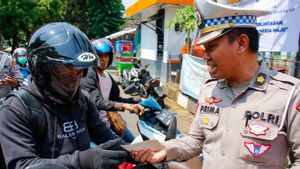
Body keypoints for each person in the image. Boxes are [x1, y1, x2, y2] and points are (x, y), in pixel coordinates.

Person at [130, 0, 300, 169]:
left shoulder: (289, 94)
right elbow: (196, 140)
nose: (205, 56)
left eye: (211, 47)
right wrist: (164, 150)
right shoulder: (209, 90)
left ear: (241, 43)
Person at [0, 22, 131, 169]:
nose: (74, 79)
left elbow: (105, 136)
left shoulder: (82, 99)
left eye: (80, 71)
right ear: (42, 70)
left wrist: (137, 152)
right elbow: (22, 164)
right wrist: (85, 161)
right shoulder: (16, 110)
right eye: (66, 70)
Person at [81, 38, 145, 143]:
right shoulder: (88, 74)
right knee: (130, 153)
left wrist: (137, 100)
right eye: (99, 55)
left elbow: (116, 100)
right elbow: (97, 101)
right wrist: (124, 106)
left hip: (111, 123)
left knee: (135, 143)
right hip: (97, 128)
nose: (103, 59)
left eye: (106, 56)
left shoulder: (107, 76)